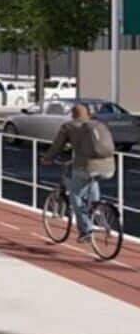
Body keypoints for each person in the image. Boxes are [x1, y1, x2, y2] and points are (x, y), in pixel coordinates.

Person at [40, 103, 117, 242]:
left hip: (86, 166)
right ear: (88, 114)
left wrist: (47, 158)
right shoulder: (98, 125)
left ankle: (85, 231)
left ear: (72, 114)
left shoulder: (68, 127)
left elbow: (57, 146)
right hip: (109, 166)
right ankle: (100, 216)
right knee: (92, 187)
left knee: (75, 195)